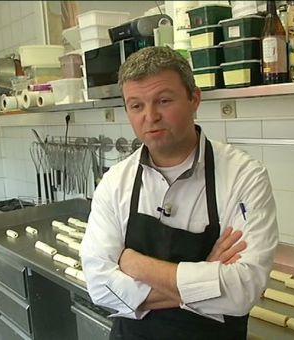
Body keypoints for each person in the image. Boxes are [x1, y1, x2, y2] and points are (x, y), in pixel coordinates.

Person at [80, 46, 278, 340]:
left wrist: (134, 263)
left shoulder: (244, 176)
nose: (150, 116)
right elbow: (99, 287)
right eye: (136, 105)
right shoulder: (115, 182)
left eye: (163, 100)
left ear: (194, 99)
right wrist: (207, 275)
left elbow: (243, 290)